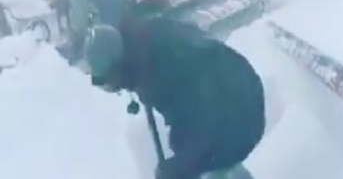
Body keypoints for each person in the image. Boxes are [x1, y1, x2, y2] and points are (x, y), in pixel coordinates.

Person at [82, 10, 265, 179]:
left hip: (238, 100)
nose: (113, 88)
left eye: (108, 82)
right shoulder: (141, 52)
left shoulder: (162, 64)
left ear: (118, 64)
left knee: (211, 159)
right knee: (194, 159)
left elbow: (204, 115)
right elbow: (183, 116)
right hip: (226, 97)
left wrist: (183, 164)